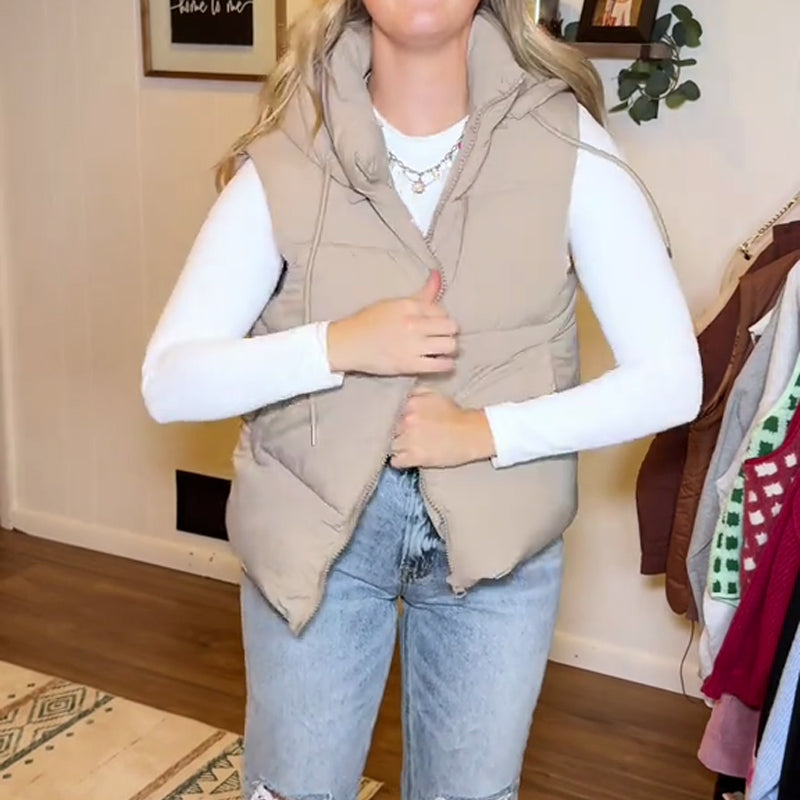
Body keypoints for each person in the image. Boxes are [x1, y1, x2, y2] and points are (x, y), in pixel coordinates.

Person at [142, 1, 702, 798]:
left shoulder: (564, 144)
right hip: (316, 537)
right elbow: (169, 380)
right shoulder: (290, 154)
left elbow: (671, 380)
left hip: (497, 535)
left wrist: (485, 432)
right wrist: (341, 344)